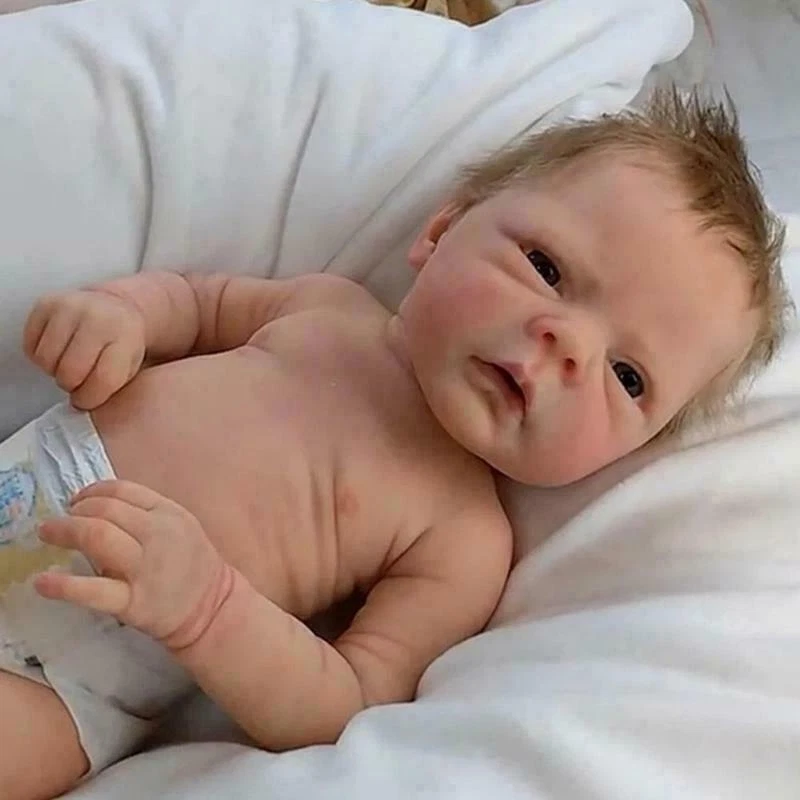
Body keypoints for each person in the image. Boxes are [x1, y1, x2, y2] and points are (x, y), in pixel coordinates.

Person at [0, 87, 789, 799]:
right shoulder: (327, 309)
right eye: (547, 268)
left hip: (78, 665)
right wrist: (121, 317)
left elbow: (344, 701)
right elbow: (194, 303)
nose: (570, 345)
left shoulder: (462, 541)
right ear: (442, 230)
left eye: (627, 375)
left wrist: (208, 610)